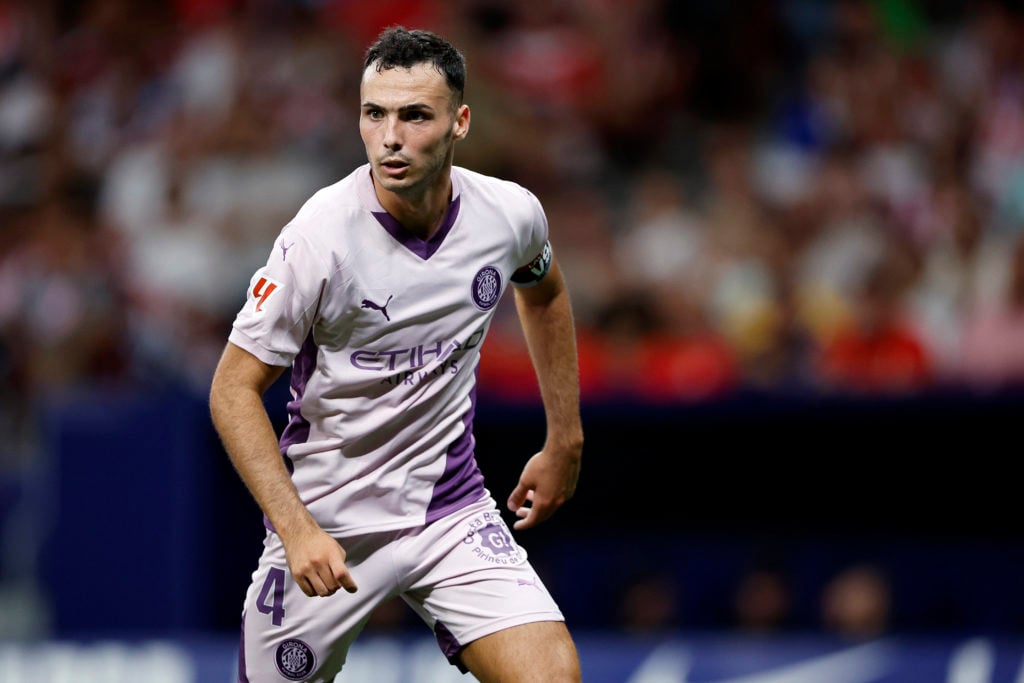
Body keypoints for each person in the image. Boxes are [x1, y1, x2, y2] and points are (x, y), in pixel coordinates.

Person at [208, 25, 584, 682]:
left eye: (414, 115)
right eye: (374, 113)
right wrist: (295, 529)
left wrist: (565, 438)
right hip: (327, 517)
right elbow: (232, 389)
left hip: (450, 507)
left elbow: (544, 290)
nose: (390, 137)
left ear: (460, 121)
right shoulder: (318, 239)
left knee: (553, 675)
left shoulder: (509, 214)